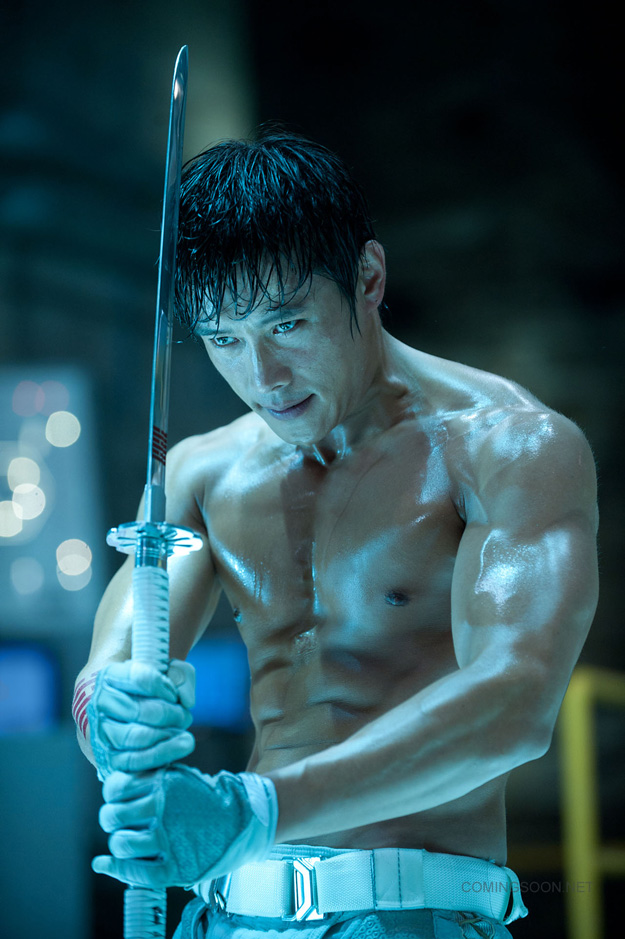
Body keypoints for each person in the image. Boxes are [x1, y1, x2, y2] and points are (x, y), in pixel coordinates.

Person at [73, 130, 599, 938]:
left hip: (408, 911)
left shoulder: (509, 448)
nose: (262, 376)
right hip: (223, 910)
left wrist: (256, 810)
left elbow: (515, 701)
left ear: (368, 277)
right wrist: (109, 718)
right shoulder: (202, 473)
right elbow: (110, 672)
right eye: (223, 339)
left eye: (286, 323)